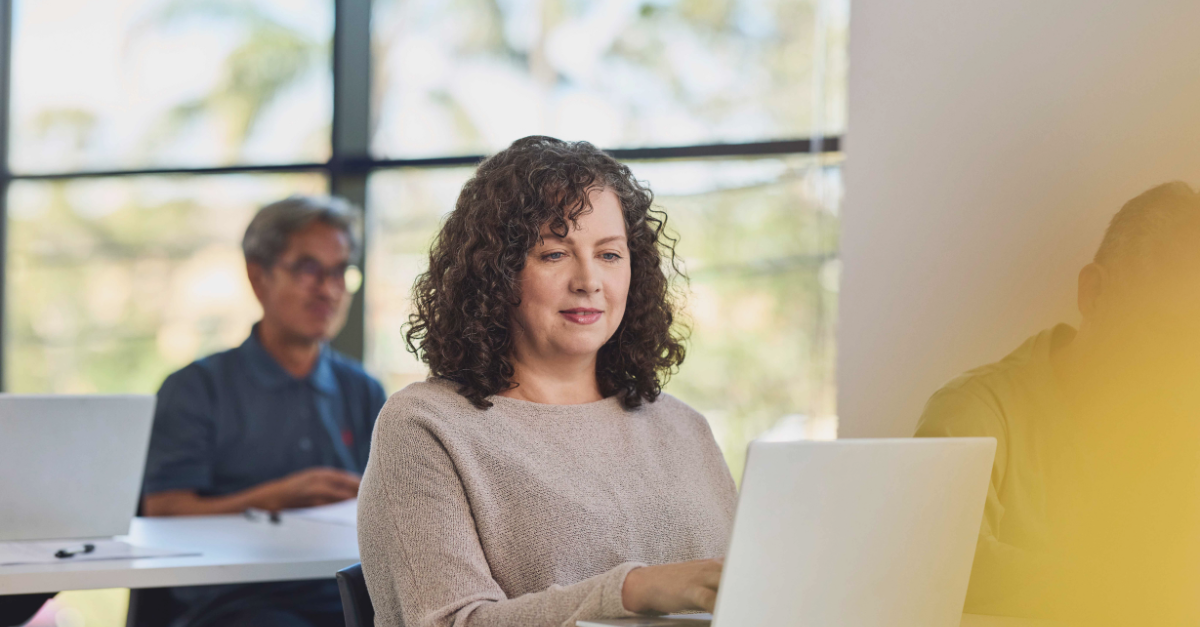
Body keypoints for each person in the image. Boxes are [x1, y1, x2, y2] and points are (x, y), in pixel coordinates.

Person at [357, 136, 738, 627]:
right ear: (494, 272)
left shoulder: (685, 427)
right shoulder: (425, 427)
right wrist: (636, 590)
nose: (588, 280)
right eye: (555, 254)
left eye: (609, 254)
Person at [915, 182, 1200, 624]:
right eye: (1163, 332)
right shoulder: (973, 413)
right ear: (1094, 292)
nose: (1179, 364)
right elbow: (946, 564)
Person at [141, 195, 387, 627]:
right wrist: (274, 499)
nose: (328, 289)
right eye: (309, 269)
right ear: (259, 277)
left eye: (340, 272)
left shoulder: (363, 390)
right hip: (236, 604)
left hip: (345, 598)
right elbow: (165, 509)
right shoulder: (196, 389)